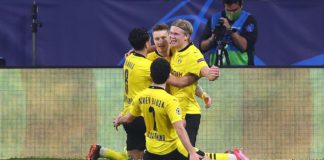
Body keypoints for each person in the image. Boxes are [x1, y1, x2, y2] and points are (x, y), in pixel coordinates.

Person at [114, 58, 206, 160]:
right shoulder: (170, 101)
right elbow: (179, 128)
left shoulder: (140, 96)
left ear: (151, 75)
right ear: (168, 76)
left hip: (151, 152)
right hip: (171, 150)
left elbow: (128, 118)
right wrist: (192, 152)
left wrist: (119, 120)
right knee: (205, 158)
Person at [87, 27, 152, 160]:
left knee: (133, 157)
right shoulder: (147, 66)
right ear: (147, 43)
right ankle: (100, 151)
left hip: (128, 113)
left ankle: (100, 151)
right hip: (141, 117)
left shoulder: (129, 59)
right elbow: (173, 81)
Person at [169, 19, 220, 146]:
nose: (171, 36)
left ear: (186, 36)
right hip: (175, 111)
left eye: (176, 34)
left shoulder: (193, 54)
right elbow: (191, 83)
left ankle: (232, 157)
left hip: (188, 114)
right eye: (171, 33)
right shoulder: (175, 49)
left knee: (188, 154)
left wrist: (211, 74)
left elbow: (204, 69)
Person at [200, 0, 257, 66]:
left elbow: (244, 46)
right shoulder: (214, 19)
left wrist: (229, 30)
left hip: (241, 70)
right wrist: (213, 38)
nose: (231, 13)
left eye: (235, 10)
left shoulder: (248, 19)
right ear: (224, 6)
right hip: (216, 70)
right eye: (228, 10)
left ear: (241, 5)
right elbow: (202, 47)